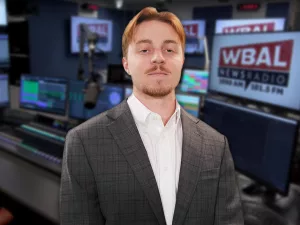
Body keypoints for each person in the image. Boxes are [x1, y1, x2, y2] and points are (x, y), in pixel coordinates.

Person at [60, 6, 244, 225]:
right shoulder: (84, 142)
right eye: (145, 50)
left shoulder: (216, 145)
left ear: (182, 60)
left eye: (169, 50)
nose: (158, 58)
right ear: (126, 63)